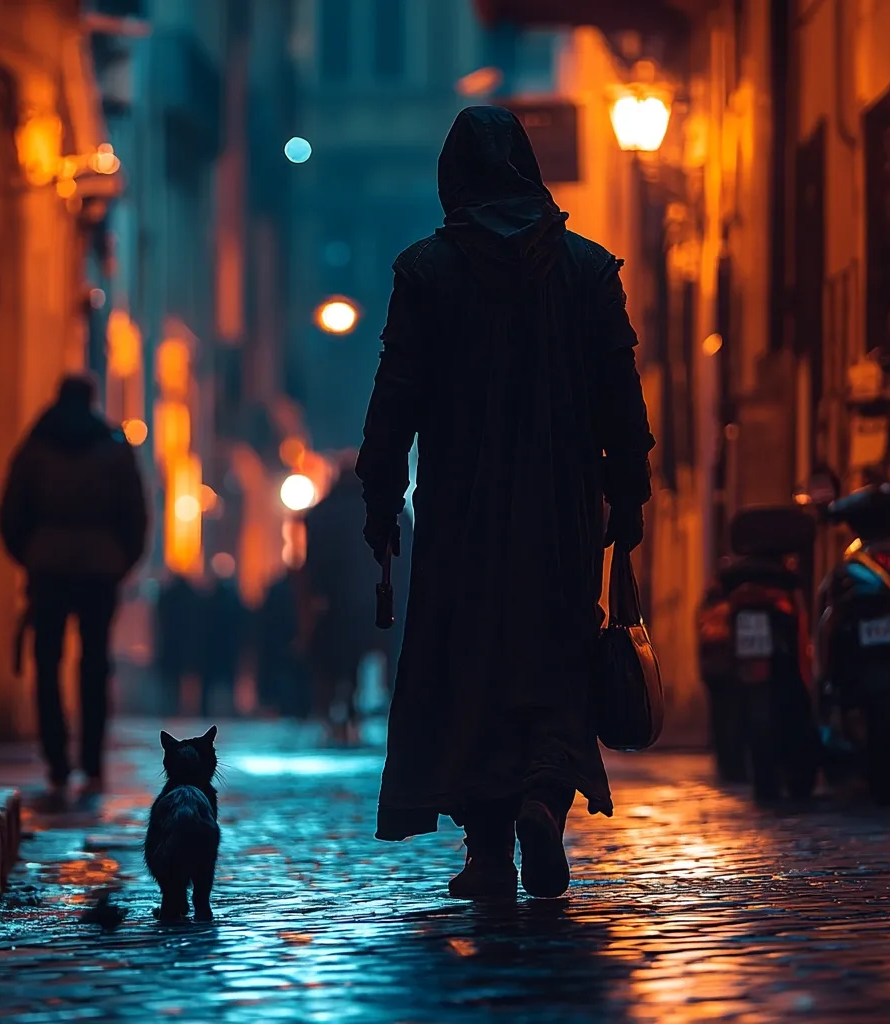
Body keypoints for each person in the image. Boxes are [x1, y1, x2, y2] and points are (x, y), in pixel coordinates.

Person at [356, 106, 655, 900]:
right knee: (554, 658)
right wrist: (627, 497)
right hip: (562, 513)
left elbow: (395, 400)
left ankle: (488, 852)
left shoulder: (425, 273)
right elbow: (623, 404)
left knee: (470, 669)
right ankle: (541, 806)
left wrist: (381, 499)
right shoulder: (589, 274)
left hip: (461, 514)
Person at [0, 375, 148, 803]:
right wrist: (119, 560)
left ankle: (57, 761)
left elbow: (11, 511)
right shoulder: (114, 448)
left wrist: (31, 553)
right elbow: (135, 515)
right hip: (100, 567)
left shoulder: (35, 448)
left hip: (47, 565)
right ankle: (93, 762)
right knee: (95, 664)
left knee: (47, 662)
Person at [301, 459, 388, 743]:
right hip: (374, 600)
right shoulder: (384, 510)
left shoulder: (323, 513)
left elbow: (313, 562)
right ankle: (356, 712)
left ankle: (336, 714)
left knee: (334, 661)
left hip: (334, 604)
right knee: (366, 656)